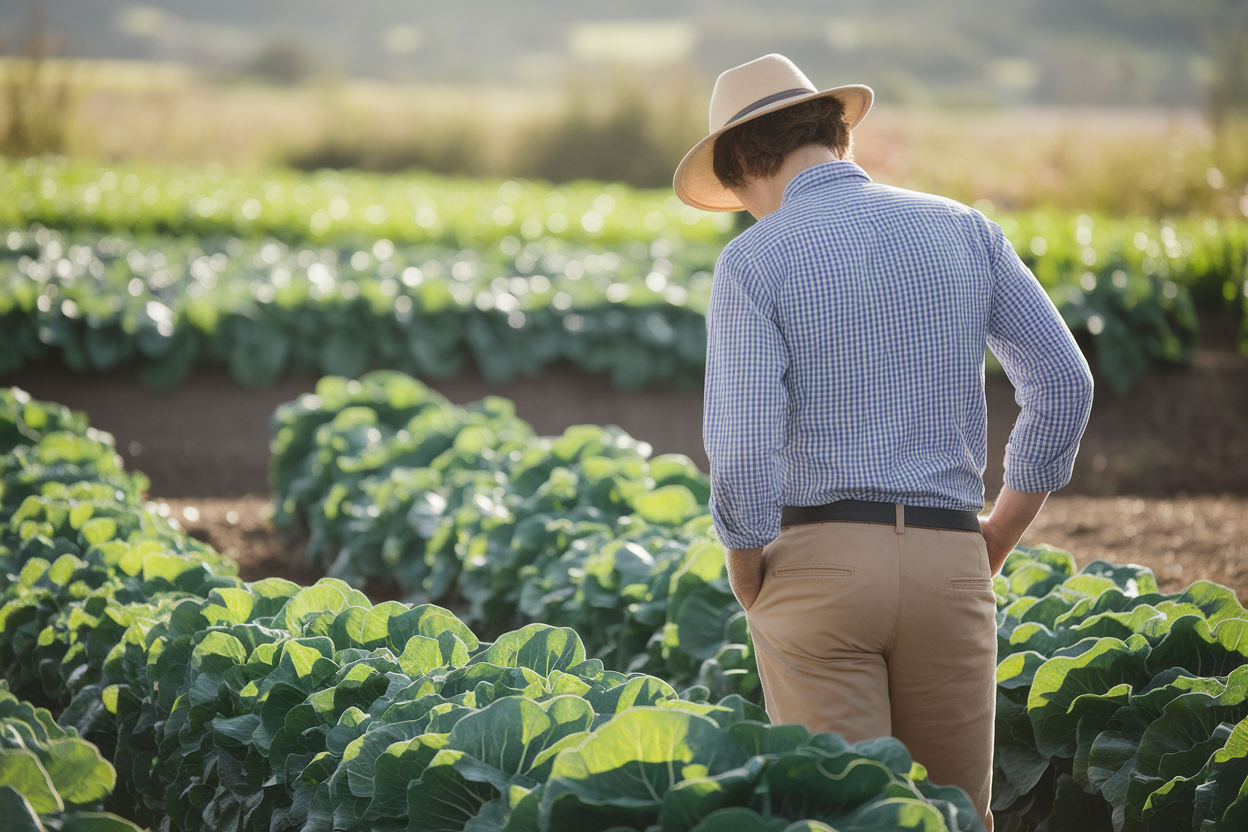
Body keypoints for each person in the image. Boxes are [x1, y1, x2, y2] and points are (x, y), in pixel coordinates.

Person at [672, 54, 1094, 831]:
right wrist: (997, 533)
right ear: (836, 134)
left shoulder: (754, 260)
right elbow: (1065, 383)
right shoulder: (964, 228)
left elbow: (739, 453)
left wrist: (745, 568)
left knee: (847, 816)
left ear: (741, 168)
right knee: (957, 817)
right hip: (949, 562)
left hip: (815, 567)